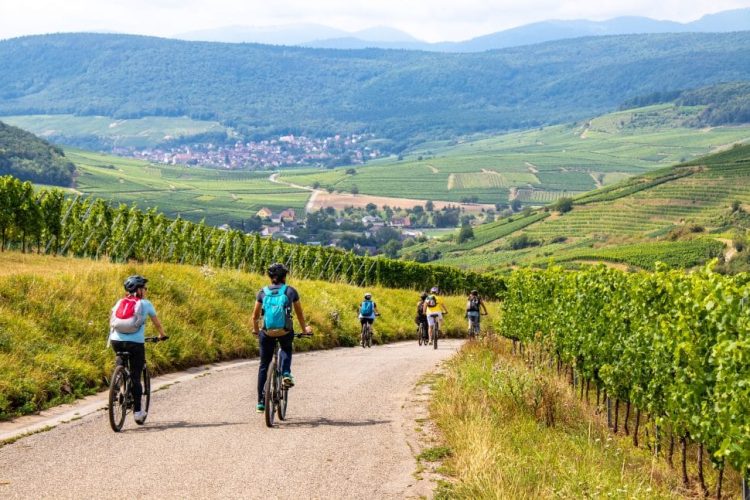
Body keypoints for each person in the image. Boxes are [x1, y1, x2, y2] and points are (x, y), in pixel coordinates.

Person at [252, 263, 313, 414]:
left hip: (267, 333)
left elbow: (255, 316)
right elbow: (299, 313)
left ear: (270, 277)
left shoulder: (262, 292)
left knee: (263, 365)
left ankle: (260, 401)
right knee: (286, 347)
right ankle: (286, 373)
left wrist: (256, 330)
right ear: (284, 276)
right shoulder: (290, 291)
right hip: (285, 331)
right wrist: (305, 329)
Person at [109, 275, 166, 424]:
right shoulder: (145, 304)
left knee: (120, 364)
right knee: (135, 376)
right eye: (144, 288)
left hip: (116, 341)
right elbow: (157, 324)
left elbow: (113, 321)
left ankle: (120, 388)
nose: (146, 291)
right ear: (139, 290)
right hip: (135, 344)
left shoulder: (119, 302)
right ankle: (138, 413)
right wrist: (162, 335)